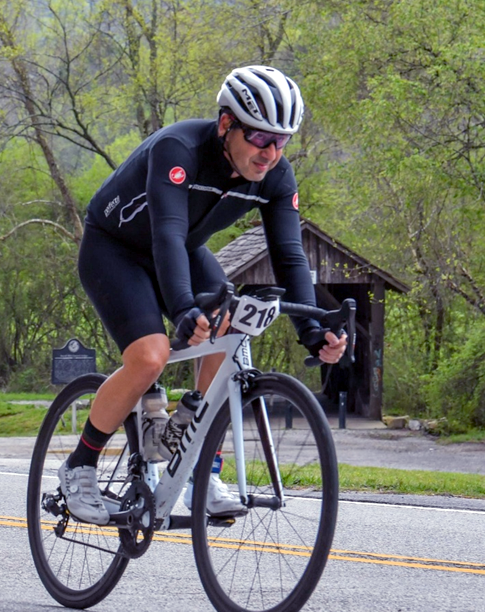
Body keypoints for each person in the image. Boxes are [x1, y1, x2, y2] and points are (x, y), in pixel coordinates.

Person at [60, 65, 347, 524]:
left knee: (230, 331)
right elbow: (167, 234)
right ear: (226, 124)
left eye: (281, 141)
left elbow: (290, 256)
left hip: (182, 251)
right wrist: (183, 309)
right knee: (151, 357)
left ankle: (198, 464)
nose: (270, 153)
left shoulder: (276, 177)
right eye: (259, 138)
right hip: (115, 249)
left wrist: (312, 330)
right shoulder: (180, 149)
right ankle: (80, 466)